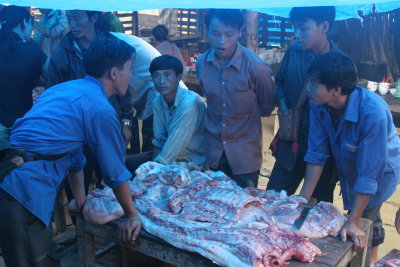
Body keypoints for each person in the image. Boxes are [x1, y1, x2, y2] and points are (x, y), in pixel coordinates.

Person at [0, 38, 141, 267]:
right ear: (114, 73)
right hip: (21, 187)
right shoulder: (99, 108)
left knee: (39, 255)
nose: (131, 76)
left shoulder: (64, 90)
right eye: (129, 69)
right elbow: (115, 172)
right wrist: (131, 215)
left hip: (17, 177)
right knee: (32, 259)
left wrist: (81, 200)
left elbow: (75, 156)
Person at [299, 52, 400, 264]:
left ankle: (365, 260)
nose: (308, 88)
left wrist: (353, 221)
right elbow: (317, 153)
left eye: (314, 85)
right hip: (348, 163)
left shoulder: (373, 113)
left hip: (379, 173)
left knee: (358, 227)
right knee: (366, 216)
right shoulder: (318, 103)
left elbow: (369, 174)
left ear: (336, 90)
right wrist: (301, 202)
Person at [47, 10, 133, 199]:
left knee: (112, 181)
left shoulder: (112, 45)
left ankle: (114, 218)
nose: (73, 24)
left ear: (93, 17)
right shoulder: (62, 52)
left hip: (110, 124)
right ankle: (81, 225)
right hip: (77, 132)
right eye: (69, 19)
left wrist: (126, 120)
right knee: (78, 182)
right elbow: (55, 90)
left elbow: (125, 85)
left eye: (77, 18)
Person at [196, 9, 275, 188]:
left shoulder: (256, 67)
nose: (221, 41)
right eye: (215, 34)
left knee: (245, 208)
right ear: (207, 30)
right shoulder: (202, 63)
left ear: (240, 31)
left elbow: (266, 106)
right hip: (213, 151)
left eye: (229, 34)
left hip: (245, 154)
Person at [267, 6, 339, 202]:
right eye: (294, 28)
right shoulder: (293, 51)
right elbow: (280, 81)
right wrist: (284, 107)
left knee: (315, 212)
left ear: (324, 26)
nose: (297, 34)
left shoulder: (339, 63)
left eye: (303, 28)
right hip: (290, 146)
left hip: (323, 155)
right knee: (271, 201)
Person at [151, 55, 206, 167]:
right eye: (156, 76)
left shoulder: (190, 103)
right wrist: (151, 166)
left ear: (179, 77)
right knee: (131, 166)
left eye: (167, 75)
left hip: (192, 162)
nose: (162, 81)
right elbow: (159, 140)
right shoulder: (158, 101)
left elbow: (175, 145)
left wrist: (153, 169)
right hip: (169, 157)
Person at [0, 6, 47, 128]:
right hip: (19, 127)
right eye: (31, 25)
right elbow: (53, 78)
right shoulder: (34, 54)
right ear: (25, 22)